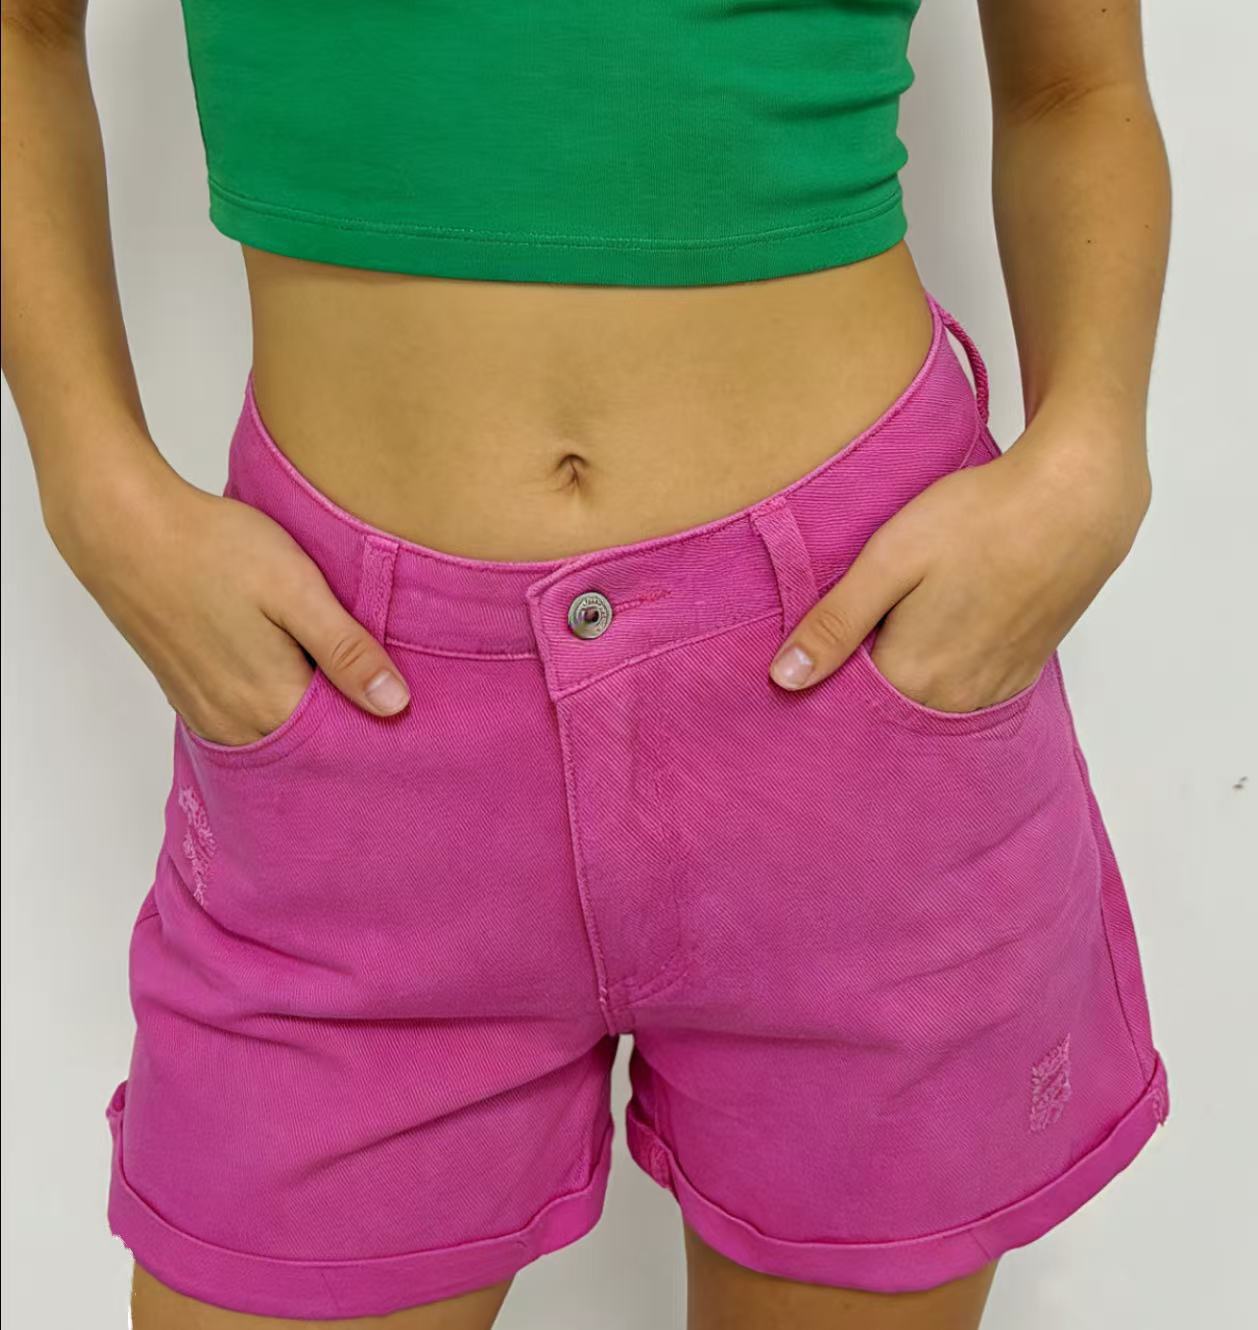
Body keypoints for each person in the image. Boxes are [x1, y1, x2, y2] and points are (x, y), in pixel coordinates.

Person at [1, 1, 1172, 1327]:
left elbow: (1075, 87)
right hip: (351, 717)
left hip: (857, 690)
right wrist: (94, 486)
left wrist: (1092, 454)